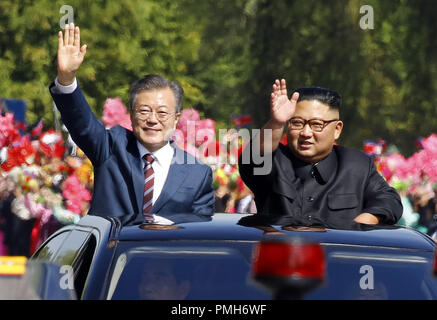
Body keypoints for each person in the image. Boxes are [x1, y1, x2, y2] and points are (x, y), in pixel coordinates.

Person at [49, 23, 214, 225]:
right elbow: (81, 123)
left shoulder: (197, 173)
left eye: (162, 112)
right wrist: (67, 79)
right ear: (132, 113)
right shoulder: (110, 148)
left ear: (176, 119)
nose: (152, 119)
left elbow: (200, 232)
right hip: (110, 255)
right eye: (144, 110)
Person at [238, 79, 402, 229]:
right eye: (297, 123)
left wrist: (360, 226)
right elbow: (253, 160)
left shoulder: (357, 166)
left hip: (337, 257)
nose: (306, 132)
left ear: (337, 129)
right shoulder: (276, 160)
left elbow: (389, 201)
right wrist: (276, 122)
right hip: (280, 256)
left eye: (317, 124)